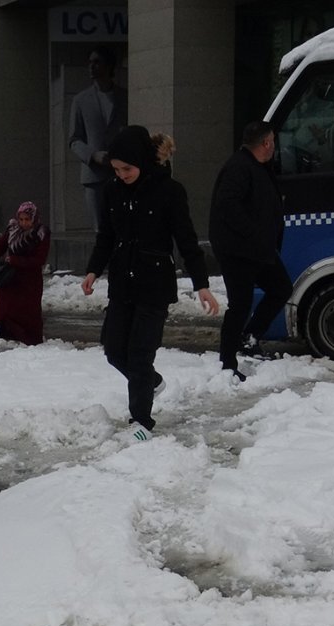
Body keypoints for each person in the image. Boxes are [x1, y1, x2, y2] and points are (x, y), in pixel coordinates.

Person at [81, 126, 219, 439]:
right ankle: (151, 382)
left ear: (142, 160)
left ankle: (141, 423)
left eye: (126, 169)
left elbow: (186, 241)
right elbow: (106, 236)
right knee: (115, 350)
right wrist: (92, 270)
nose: (121, 175)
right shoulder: (112, 191)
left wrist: (202, 284)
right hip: (121, 282)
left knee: (140, 354)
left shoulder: (169, 191)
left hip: (154, 284)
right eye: (115, 170)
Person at [209, 121, 292, 382]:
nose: (275, 147)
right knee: (240, 305)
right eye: (273, 142)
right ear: (266, 143)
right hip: (238, 251)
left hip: (257, 249)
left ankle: (250, 335)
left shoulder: (258, 167)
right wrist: (253, 234)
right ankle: (227, 362)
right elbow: (228, 207)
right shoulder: (239, 167)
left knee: (281, 288)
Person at [69, 45, 128, 231]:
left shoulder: (125, 97)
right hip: (94, 175)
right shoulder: (81, 100)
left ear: (109, 65)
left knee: (122, 225)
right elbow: (74, 139)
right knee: (101, 230)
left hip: (121, 173)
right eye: (90, 62)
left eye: (97, 62)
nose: (91, 67)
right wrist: (93, 155)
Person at [0, 201, 50, 350]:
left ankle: (30, 340)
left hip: (29, 282)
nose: (24, 223)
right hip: (10, 278)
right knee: (1, 309)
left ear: (34, 219)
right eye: (21, 219)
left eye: (27, 219)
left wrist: (16, 260)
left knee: (27, 314)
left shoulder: (41, 233)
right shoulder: (12, 229)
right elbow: (1, 246)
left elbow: (39, 259)